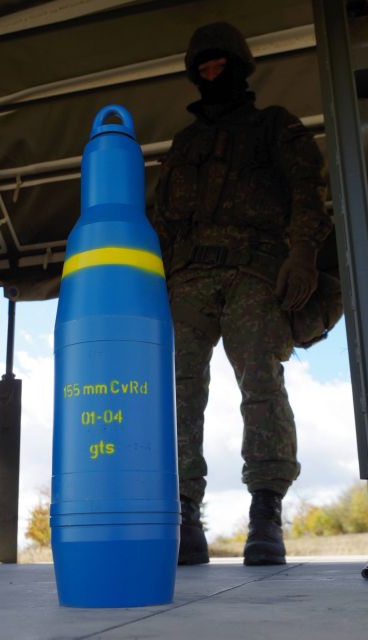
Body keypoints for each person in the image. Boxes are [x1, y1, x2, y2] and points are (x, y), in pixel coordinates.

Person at [151, 22, 336, 566]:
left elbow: (309, 191)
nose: (212, 74)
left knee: (260, 380)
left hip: (255, 271)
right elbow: (160, 221)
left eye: (221, 65)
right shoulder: (184, 145)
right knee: (177, 391)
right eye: (203, 68)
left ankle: (265, 512)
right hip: (186, 278)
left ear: (241, 68)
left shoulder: (275, 126)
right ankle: (184, 514)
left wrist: (304, 253)